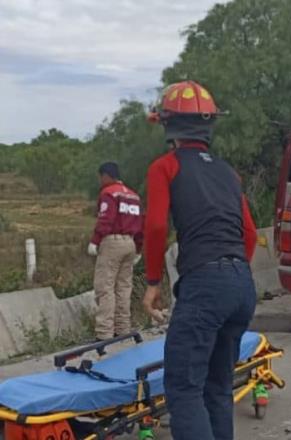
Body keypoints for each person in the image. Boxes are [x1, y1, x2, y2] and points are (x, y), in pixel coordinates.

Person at [141, 80, 258, 440]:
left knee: (184, 388)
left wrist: (152, 282)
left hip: (205, 284)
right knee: (218, 388)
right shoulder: (228, 172)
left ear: (168, 125)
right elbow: (250, 235)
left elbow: (157, 224)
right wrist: (233, 271)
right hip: (241, 285)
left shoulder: (166, 167)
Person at [88, 162, 143, 341]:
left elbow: (106, 219)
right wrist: (139, 248)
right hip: (130, 243)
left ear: (105, 175)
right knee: (124, 287)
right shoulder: (134, 196)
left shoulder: (108, 193)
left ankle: (104, 332)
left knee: (105, 287)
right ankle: (123, 327)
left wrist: (95, 240)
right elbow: (141, 223)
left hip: (112, 242)